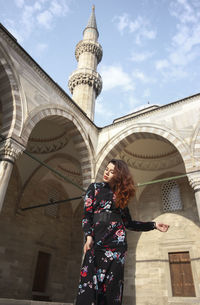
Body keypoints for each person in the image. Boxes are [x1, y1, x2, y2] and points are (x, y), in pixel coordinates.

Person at [76, 159, 169, 305]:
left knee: (112, 289)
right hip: (96, 243)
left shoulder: (121, 196)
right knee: (87, 287)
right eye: (106, 169)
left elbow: (129, 223)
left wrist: (154, 225)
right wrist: (88, 237)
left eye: (111, 171)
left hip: (117, 247)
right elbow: (87, 216)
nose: (106, 173)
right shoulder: (94, 188)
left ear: (119, 175)